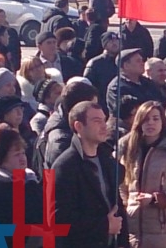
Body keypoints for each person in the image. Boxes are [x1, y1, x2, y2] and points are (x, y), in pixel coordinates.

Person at [53, 101, 128, 247]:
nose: (104, 125)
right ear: (79, 126)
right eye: (96, 121)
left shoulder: (107, 160)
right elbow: (59, 219)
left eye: (104, 120)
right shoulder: (63, 167)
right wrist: (103, 226)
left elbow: (117, 207)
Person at [118, 101, 166, 247]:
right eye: (146, 119)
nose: (150, 123)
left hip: (164, 229)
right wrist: (128, 203)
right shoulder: (129, 150)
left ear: (163, 121)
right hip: (133, 226)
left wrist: (158, 199)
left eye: (155, 118)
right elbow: (122, 184)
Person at [0, 124, 44, 248]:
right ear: (1, 159)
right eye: (16, 155)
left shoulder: (30, 181)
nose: (22, 159)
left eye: (23, 153)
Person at [105, 49, 162, 116]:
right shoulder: (116, 87)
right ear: (126, 66)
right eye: (138, 61)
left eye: (142, 60)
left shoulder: (147, 83)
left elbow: (161, 101)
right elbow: (125, 112)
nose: (142, 63)